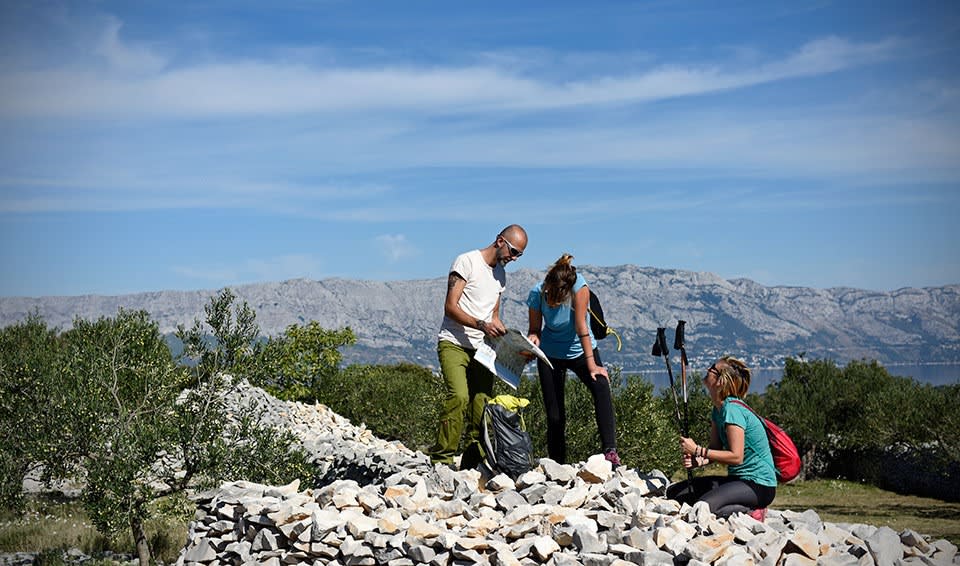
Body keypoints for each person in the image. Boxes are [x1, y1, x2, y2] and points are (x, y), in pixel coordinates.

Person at [428, 224, 528, 470]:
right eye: (514, 251)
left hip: (482, 348)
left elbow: (494, 316)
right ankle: (442, 459)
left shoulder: (500, 275)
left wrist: (516, 346)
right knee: (459, 396)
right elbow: (451, 307)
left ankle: (473, 461)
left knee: (481, 404)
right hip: (454, 343)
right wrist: (480, 325)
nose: (514, 258)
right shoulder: (466, 262)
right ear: (500, 241)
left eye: (520, 255)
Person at [525, 253, 620, 467]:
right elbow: (534, 329)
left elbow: (581, 327)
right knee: (555, 413)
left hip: (580, 349)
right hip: (550, 353)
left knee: (601, 386)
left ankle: (610, 452)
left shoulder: (579, 287)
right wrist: (532, 340)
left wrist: (592, 365)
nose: (552, 301)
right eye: (550, 297)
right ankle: (557, 465)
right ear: (546, 284)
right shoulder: (536, 293)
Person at [666, 356, 777, 520]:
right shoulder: (718, 410)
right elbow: (715, 449)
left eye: (712, 369)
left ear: (721, 381)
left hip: (759, 485)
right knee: (675, 493)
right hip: (738, 480)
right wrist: (699, 461)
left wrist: (697, 450)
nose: (707, 370)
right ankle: (740, 507)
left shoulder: (732, 410)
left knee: (702, 507)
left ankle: (752, 512)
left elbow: (736, 456)